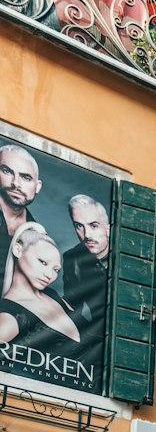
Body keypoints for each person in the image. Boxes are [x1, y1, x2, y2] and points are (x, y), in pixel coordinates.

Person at [0, 224, 86, 384]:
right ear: (18, 250)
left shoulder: (52, 294)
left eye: (56, 270)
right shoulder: (9, 318)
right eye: (42, 262)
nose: (49, 275)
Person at [61, 194, 110, 362]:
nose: (86, 234)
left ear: (108, 228)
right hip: (95, 343)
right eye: (79, 226)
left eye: (93, 226)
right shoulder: (72, 258)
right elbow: (74, 307)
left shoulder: (127, 258)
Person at [0, 144, 40, 281]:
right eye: (7, 171)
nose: (16, 183)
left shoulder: (38, 234)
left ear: (37, 186)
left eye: (25, 177)